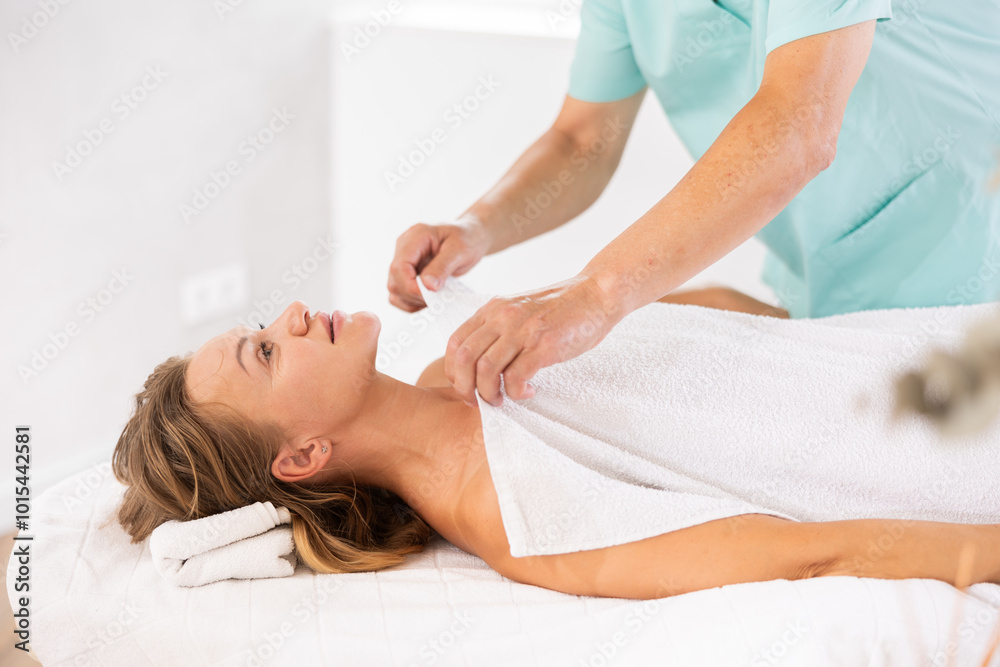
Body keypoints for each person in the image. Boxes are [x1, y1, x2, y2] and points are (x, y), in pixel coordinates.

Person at [111, 295, 1000, 601]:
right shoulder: (519, 520)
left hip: (914, 351)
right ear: (302, 457)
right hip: (939, 449)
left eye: (265, 327)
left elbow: (704, 307)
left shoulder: (462, 354)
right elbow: (810, 555)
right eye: (268, 351)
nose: (294, 315)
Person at [387, 0, 1000, 409]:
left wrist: (595, 296)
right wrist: (477, 228)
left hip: (974, 271)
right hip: (831, 297)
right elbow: (582, 139)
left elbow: (800, 125)